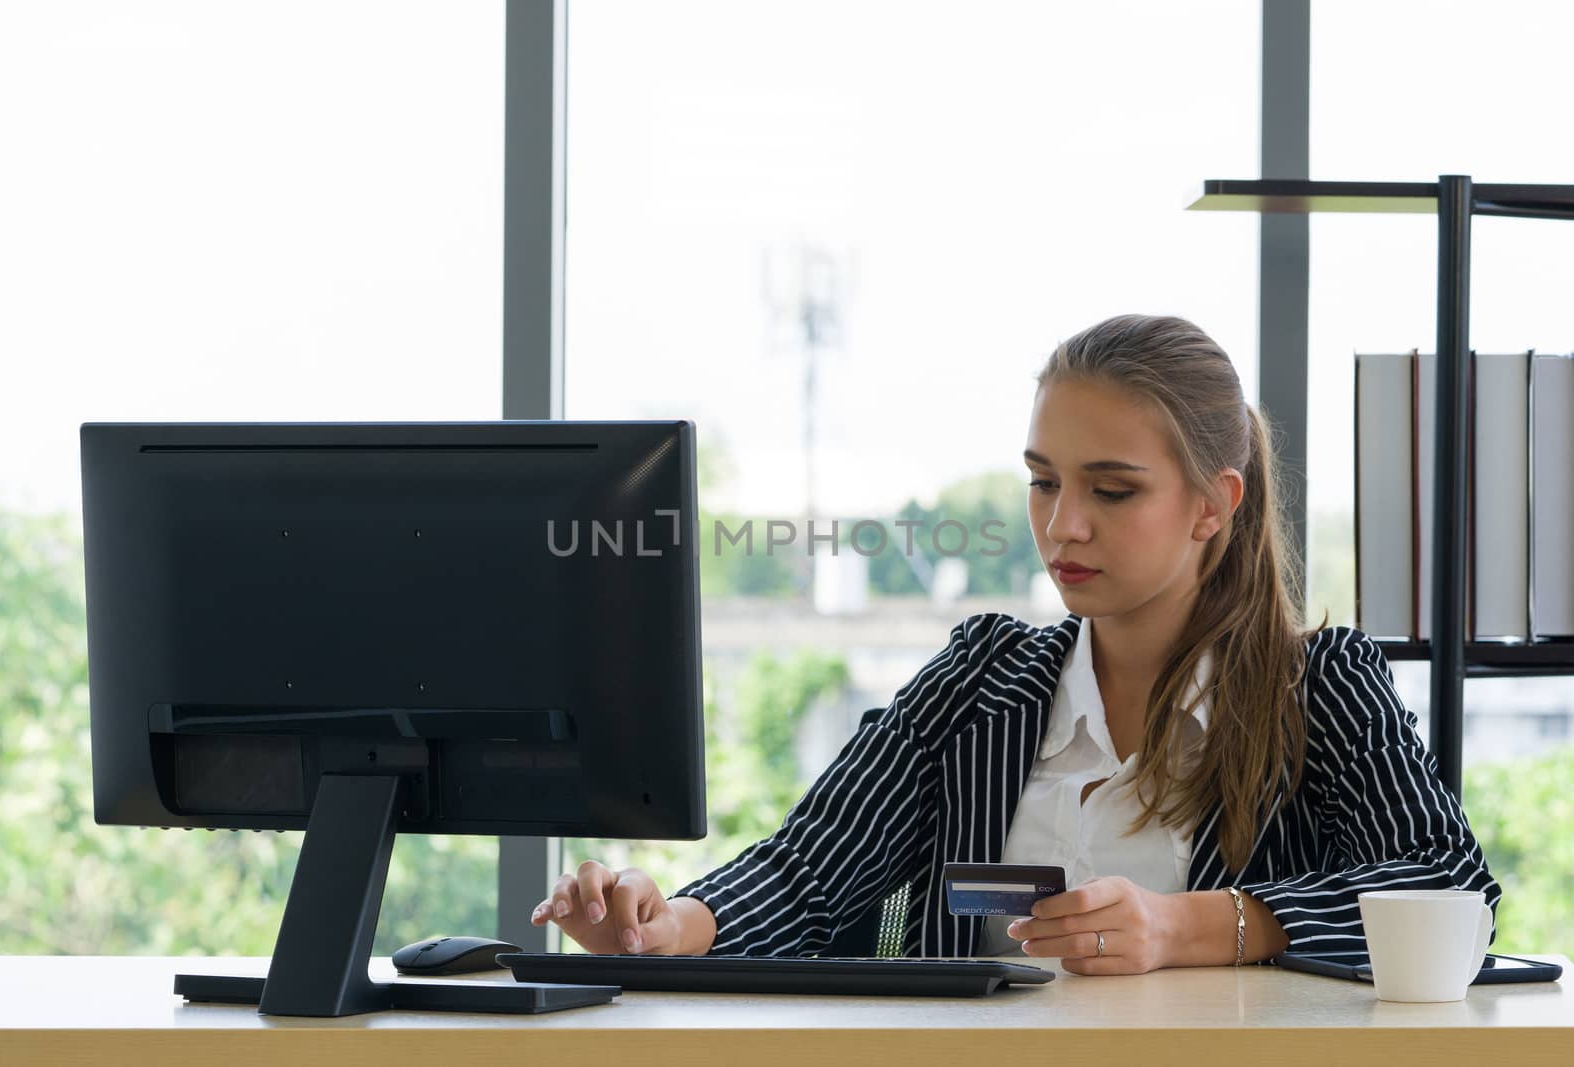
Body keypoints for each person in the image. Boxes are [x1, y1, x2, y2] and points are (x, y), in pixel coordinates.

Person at [530, 313, 1500, 974]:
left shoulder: (1315, 686)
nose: (1063, 524)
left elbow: (1448, 882)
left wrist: (1187, 924)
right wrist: (668, 927)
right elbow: (809, 871)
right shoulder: (979, 678)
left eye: (1110, 489)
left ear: (1214, 503)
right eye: (1043, 481)